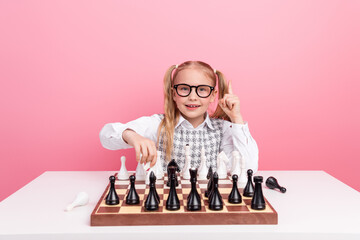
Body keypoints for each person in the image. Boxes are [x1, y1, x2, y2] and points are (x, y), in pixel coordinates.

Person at [99, 61, 258, 173]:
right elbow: (106, 136)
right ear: (174, 93)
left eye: (202, 90)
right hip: (167, 202)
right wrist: (131, 136)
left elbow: (250, 169)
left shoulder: (223, 129)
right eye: (184, 89)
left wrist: (236, 119)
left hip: (207, 204)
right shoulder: (158, 124)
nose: (192, 97)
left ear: (212, 95)